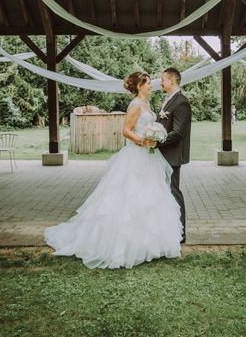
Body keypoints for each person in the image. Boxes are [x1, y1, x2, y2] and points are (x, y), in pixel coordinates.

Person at [44, 71, 182, 269]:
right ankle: (123, 244)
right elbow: (126, 131)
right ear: (140, 86)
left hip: (149, 157)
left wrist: (154, 137)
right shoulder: (135, 105)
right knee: (130, 198)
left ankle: (149, 244)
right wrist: (143, 140)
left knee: (150, 197)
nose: (152, 86)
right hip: (135, 155)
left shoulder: (147, 104)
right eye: (149, 83)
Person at [154, 67, 192, 244]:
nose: (160, 82)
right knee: (165, 191)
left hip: (173, 155)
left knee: (173, 191)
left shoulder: (181, 102)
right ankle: (169, 228)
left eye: (163, 79)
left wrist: (157, 141)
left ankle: (181, 233)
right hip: (164, 154)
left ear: (172, 80)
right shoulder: (168, 100)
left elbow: (177, 132)